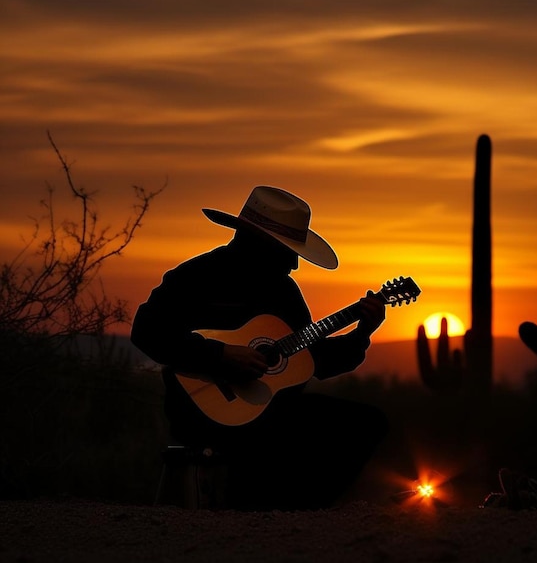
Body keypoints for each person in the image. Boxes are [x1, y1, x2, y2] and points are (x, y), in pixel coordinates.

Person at [131, 185, 388, 510]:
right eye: (288, 250)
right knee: (275, 442)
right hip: (198, 413)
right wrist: (220, 355)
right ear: (262, 243)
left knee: (366, 423)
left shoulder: (284, 292)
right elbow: (147, 330)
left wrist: (362, 332)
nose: (294, 263)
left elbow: (314, 360)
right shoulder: (196, 276)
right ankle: (267, 511)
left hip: (272, 413)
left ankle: (297, 512)